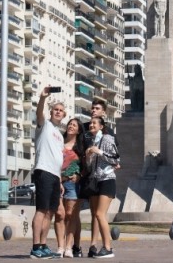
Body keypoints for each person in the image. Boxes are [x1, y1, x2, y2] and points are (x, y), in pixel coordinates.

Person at [30, 88, 67, 259]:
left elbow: (58, 159)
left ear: (64, 115)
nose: (58, 112)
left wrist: (59, 180)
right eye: (56, 110)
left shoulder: (60, 136)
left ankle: (43, 245)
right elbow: (39, 113)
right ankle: (35, 246)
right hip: (43, 171)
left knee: (51, 212)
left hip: (54, 176)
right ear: (51, 112)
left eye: (61, 111)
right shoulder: (44, 126)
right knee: (41, 209)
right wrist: (42, 98)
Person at [85, 115, 118, 258]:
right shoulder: (93, 141)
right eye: (90, 123)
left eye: (94, 123)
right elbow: (90, 167)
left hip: (107, 180)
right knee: (97, 214)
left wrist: (100, 152)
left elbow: (116, 159)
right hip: (96, 181)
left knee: (99, 214)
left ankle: (108, 248)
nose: (91, 125)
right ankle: (104, 247)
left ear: (101, 126)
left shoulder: (107, 139)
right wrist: (88, 157)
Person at [57, 117, 85, 258]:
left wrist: (79, 174)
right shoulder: (58, 142)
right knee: (59, 214)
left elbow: (86, 165)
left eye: (74, 125)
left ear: (79, 130)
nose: (71, 126)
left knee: (70, 214)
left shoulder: (80, 147)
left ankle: (69, 247)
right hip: (58, 182)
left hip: (73, 184)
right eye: (70, 124)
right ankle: (60, 247)